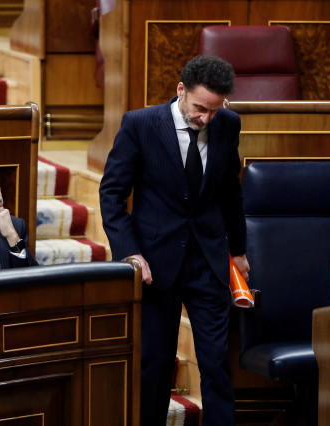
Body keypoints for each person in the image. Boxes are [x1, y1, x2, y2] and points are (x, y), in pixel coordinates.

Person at [99, 55, 250, 426]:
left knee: (216, 363)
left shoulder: (228, 124)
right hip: (155, 262)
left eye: (214, 111)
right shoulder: (140, 123)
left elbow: (231, 192)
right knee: (156, 365)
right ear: (181, 90)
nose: (205, 119)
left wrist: (240, 251)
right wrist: (129, 252)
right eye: (200, 108)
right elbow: (112, 193)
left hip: (208, 260)